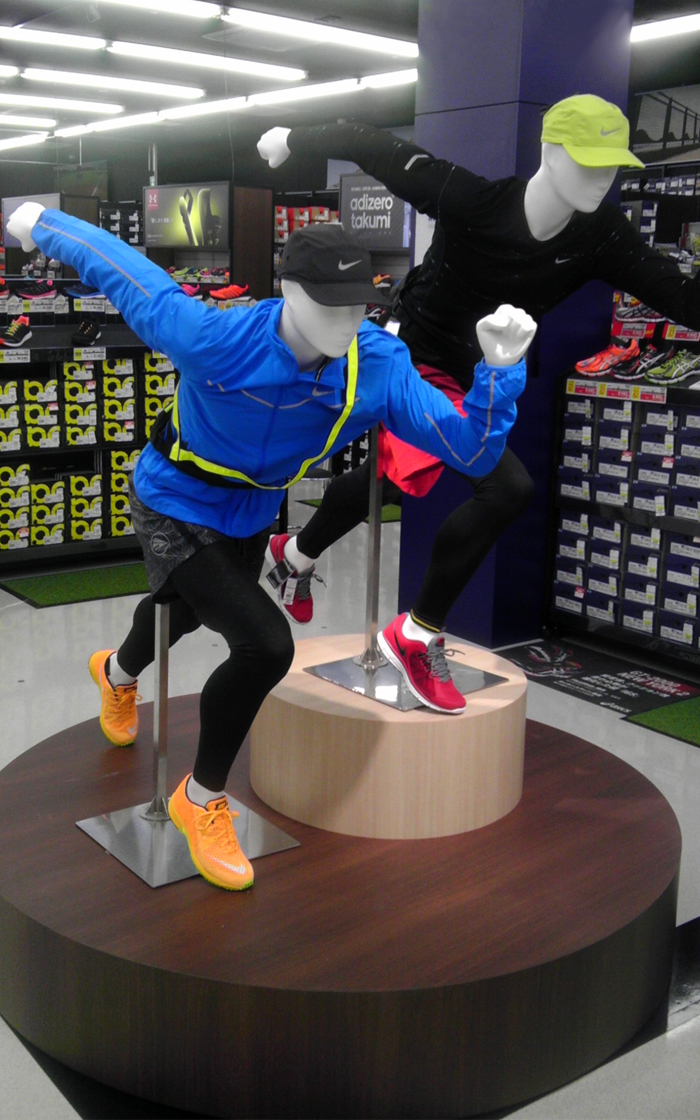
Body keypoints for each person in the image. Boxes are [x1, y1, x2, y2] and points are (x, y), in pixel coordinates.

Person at [8, 202, 535, 891]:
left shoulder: (378, 364)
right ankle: (200, 799)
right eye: (329, 304)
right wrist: (41, 223)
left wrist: (499, 371)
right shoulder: (214, 336)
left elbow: (466, 448)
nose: (346, 322)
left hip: (254, 508)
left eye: (358, 305)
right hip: (174, 497)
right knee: (264, 643)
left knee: (183, 610)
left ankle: (116, 671)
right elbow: (128, 272)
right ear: (287, 289)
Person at [257, 93, 700, 708]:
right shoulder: (473, 201)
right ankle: (416, 634)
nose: (602, 179)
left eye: (611, 166)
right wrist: (291, 138)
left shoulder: (602, 234)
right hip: (419, 357)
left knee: (392, 475)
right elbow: (372, 145)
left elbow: (676, 293)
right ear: (550, 151)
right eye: (588, 162)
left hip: (490, 373)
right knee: (506, 488)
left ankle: (295, 552)